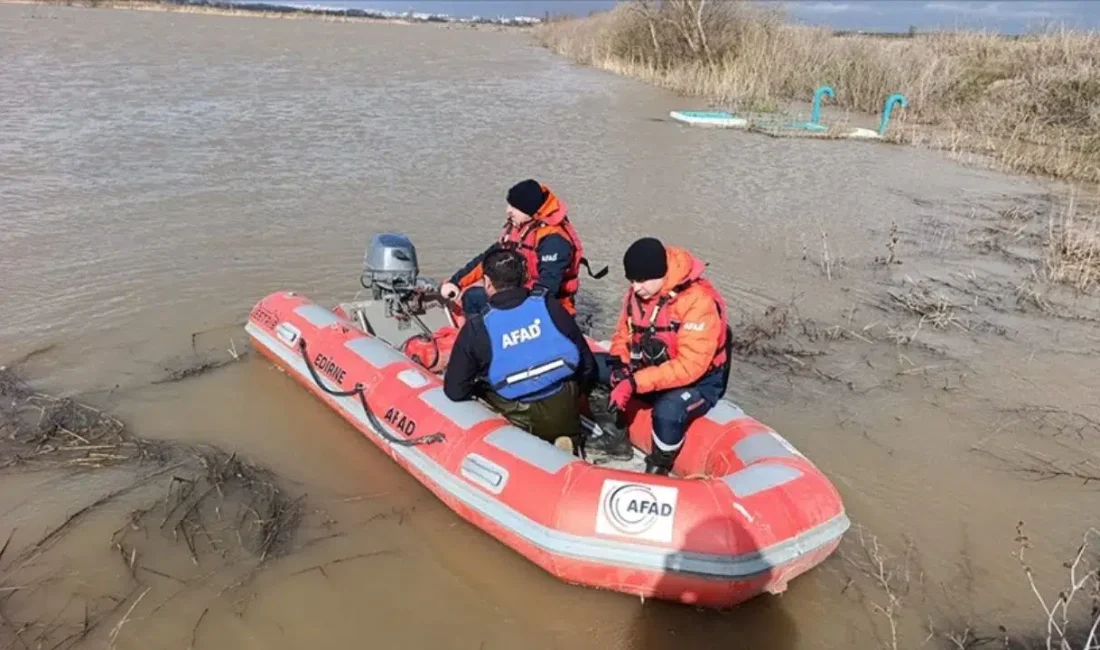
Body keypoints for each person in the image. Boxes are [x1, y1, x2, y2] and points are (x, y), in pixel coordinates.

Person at [587, 237, 732, 475]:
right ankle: (615, 440)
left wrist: (634, 383)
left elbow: (690, 366)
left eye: (641, 281)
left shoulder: (698, 302)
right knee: (589, 365)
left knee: (668, 411)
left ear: (661, 274)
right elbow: (623, 336)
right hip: (648, 366)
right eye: (632, 281)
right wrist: (621, 367)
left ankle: (659, 466)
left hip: (698, 381)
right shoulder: (637, 296)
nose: (635, 287)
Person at [443, 248, 597, 454]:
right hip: (564, 407)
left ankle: (520, 444)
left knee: (479, 385)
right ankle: (567, 438)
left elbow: (455, 390)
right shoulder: (550, 306)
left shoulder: (477, 328)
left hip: (519, 414)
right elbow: (587, 365)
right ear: (525, 276)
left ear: (487, 282)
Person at [439, 179, 604, 317]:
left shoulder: (554, 241)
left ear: (529, 210)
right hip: (520, 295)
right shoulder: (520, 228)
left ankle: (483, 339)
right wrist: (456, 282)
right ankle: (479, 337)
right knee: (471, 296)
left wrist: (521, 319)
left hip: (548, 306)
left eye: (514, 207)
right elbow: (489, 259)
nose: (508, 211)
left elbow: (548, 287)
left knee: (477, 298)